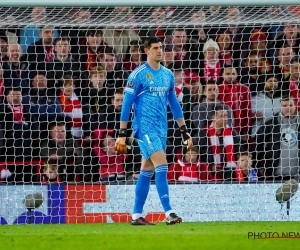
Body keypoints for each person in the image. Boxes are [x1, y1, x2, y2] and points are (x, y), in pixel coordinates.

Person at [114, 37, 193, 225]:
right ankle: (169, 212)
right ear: (147, 50)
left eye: (161, 47)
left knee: (147, 168)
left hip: (161, 129)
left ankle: (136, 215)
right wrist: (122, 133)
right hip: (144, 128)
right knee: (162, 165)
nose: (160, 51)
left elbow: (174, 103)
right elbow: (126, 104)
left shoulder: (167, 75)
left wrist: (184, 130)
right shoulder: (138, 75)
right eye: (156, 48)